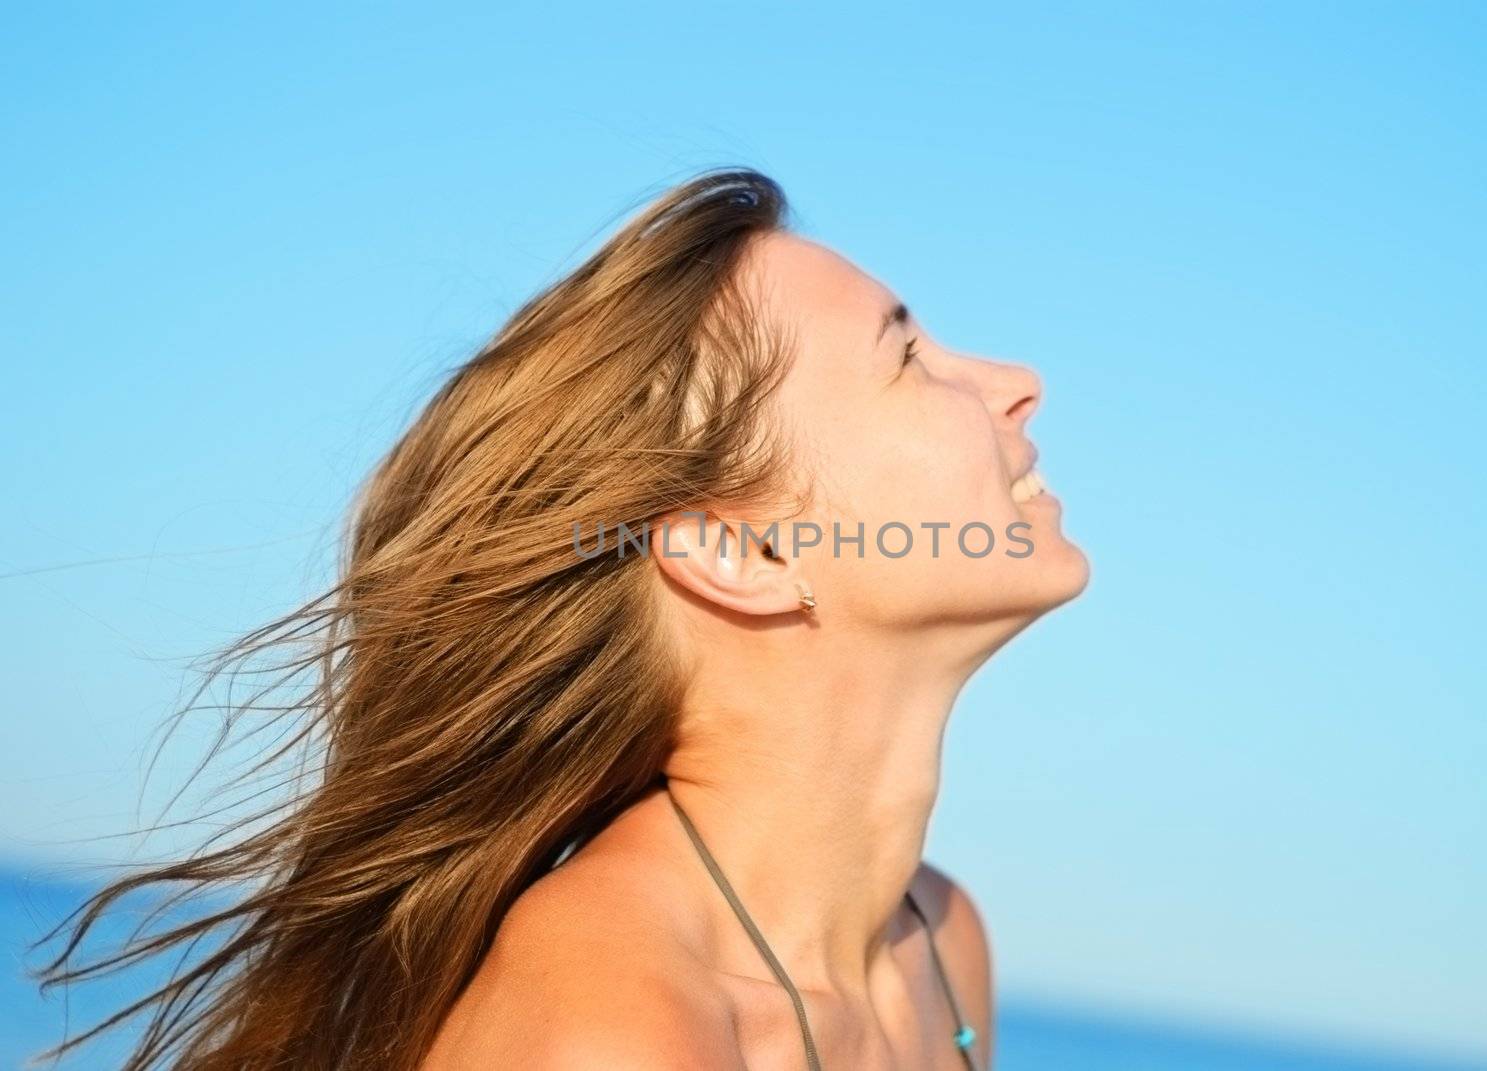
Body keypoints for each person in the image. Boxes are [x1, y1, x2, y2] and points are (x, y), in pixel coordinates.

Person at [30, 168, 1089, 1071]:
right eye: (905, 358)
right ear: (743, 553)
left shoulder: (938, 944)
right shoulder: (609, 1031)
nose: (1017, 383)